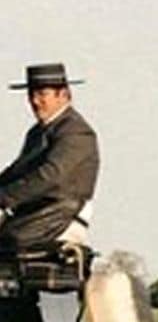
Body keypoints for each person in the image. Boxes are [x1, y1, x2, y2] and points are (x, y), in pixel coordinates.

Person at [0, 62, 98, 253]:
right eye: (32, 95)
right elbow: (17, 171)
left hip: (58, 215)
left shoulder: (76, 133)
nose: (35, 101)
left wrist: (4, 197)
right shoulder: (37, 133)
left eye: (42, 94)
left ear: (63, 95)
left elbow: (49, 176)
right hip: (33, 212)